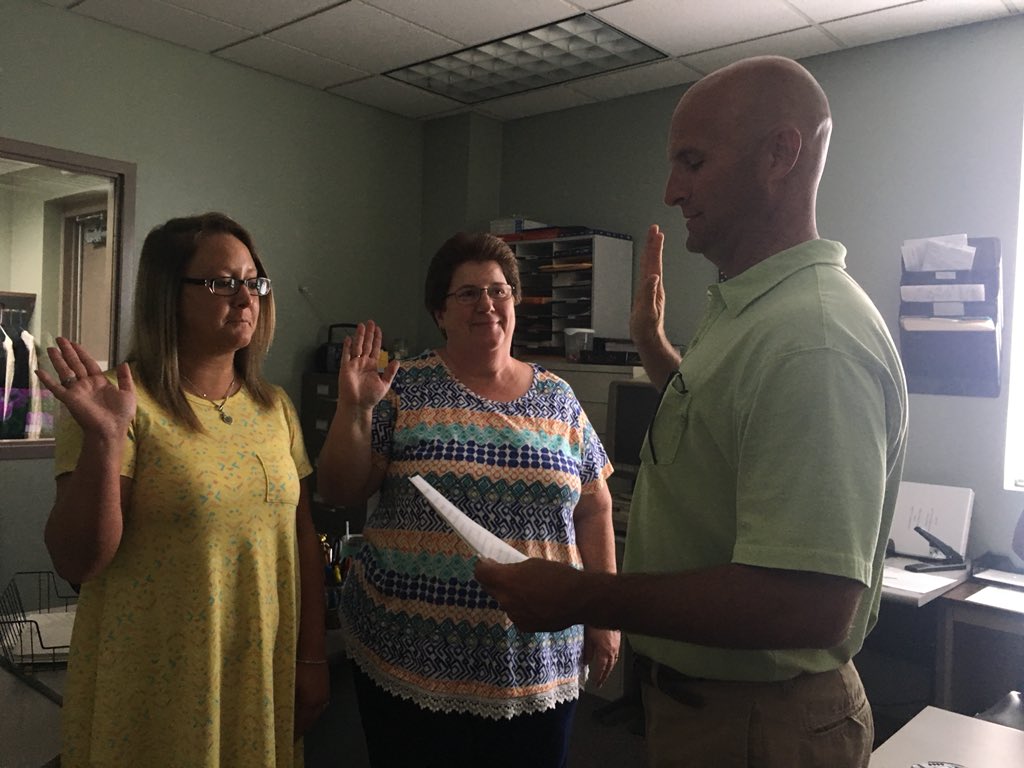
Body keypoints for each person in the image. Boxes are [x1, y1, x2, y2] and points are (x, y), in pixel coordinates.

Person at [475, 55, 909, 768]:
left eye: (694, 161)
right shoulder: (755, 311)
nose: (672, 190)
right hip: (712, 712)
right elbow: (724, 425)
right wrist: (654, 348)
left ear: (780, 154)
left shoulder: (814, 338)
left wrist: (585, 597)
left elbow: (810, 604)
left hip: (759, 726)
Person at [316, 232, 620, 768]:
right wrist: (354, 410)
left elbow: (595, 507)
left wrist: (605, 612)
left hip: (537, 661)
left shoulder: (559, 399)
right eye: (468, 293)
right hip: (409, 655)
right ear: (440, 312)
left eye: (499, 291)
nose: (487, 304)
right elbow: (341, 490)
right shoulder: (403, 388)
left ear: (514, 302)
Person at [39, 212, 329, 767]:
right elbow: (78, 562)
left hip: (258, 673)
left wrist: (312, 657)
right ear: (168, 295)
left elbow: (301, 536)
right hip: (157, 681)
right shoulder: (115, 404)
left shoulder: (275, 408)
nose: (245, 299)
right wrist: (105, 440)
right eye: (222, 283)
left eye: (254, 282)